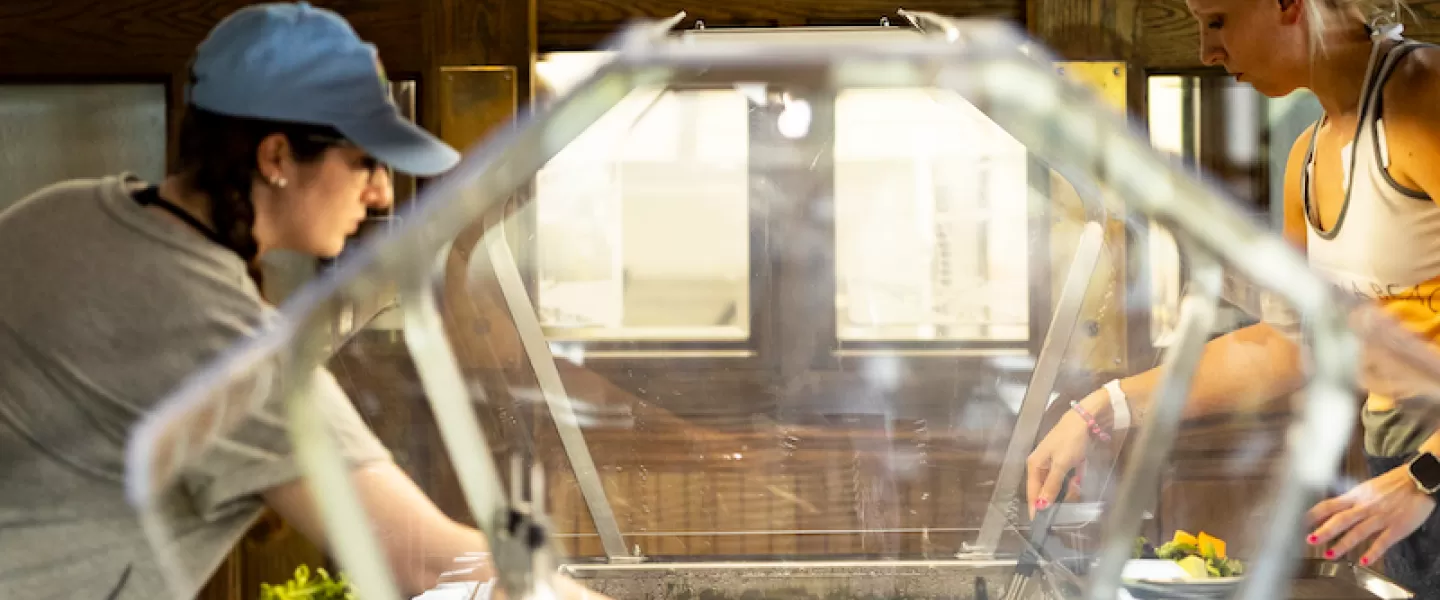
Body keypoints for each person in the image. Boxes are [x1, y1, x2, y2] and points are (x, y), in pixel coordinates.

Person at [0, 3, 607, 599]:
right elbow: (421, 561)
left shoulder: (60, 210)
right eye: (364, 161)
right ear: (276, 157)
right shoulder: (226, 343)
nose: (378, 193)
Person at [1025, 0, 1440, 595]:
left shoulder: (1424, 96)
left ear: (1289, 5)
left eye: (1216, 21)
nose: (1206, 52)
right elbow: (1289, 346)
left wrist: (1425, 476)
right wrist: (1103, 408)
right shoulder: (1308, 154)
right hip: (1396, 476)